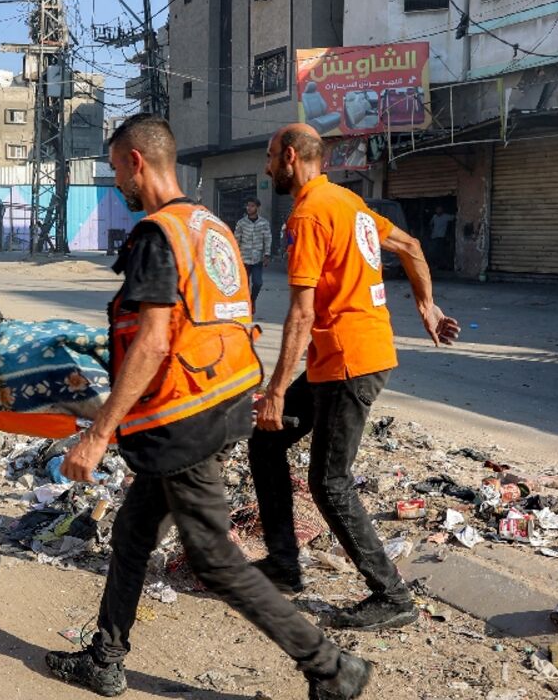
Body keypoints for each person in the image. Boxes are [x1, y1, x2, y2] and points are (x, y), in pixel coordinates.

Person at [43, 115, 370, 699]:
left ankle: (330, 666)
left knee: (215, 558)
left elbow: (154, 340)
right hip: (222, 405)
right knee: (133, 532)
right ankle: (105, 658)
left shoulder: (156, 235)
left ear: (138, 162)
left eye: (118, 168)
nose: (118, 181)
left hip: (181, 419)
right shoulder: (209, 226)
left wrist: (98, 434)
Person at [249, 123, 459, 631]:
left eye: (271, 156)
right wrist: (426, 307)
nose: (267, 166)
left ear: (292, 157)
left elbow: (300, 315)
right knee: (266, 444)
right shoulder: (346, 202)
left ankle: (392, 596)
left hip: (349, 361)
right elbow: (409, 246)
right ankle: (283, 563)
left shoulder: (307, 215)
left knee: (330, 481)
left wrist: (276, 389)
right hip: (342, 359)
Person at [234, 197, 272, 313]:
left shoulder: (264, 223)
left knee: (258, 282)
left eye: (252, 206)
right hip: (243, 258)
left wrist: (267, 255)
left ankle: (252, 300)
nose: (249, 208)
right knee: (244, 284)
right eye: (248, 206)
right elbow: (236, 239)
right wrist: (235, 254)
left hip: (257, 258)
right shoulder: (241, 223)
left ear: (257, 208)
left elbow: (267, 238)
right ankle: (245, 304)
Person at [429, 204, 455, 270]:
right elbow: (430, 224)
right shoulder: (434, 216)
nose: (438, 211)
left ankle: (442, 266)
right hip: (434, 236)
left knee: (441, 252)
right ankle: (435, 265)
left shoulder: (446, 216)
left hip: (441, 237)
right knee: (434, 252)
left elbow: (455, 217)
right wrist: (432, 230)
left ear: (442, 210)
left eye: (440, 209)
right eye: (437, 209)